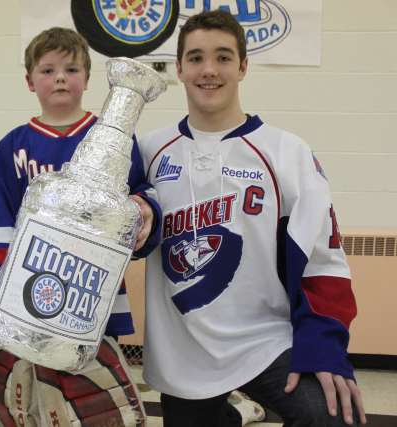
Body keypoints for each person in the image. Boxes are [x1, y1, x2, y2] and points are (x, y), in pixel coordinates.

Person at [138, 9, 367, 427]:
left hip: (265, 340)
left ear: (243, 66)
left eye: (223, 57)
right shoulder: (149, 152)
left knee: (332, 414)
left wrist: (324, 345)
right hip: (182, 353)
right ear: (179, 69)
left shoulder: (286, 152)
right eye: (196, 58)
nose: (209, 70)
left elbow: (324, 260)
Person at [0, 27, 159, 426]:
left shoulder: (118, 140)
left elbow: (141, 203)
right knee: (25, 410)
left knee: (94, 414)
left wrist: (147, 213)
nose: (60, 78)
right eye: (48, 70)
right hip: (23, 310)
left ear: (87, 78)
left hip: (91, 313)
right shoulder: (13, 147)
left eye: (71, 69)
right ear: (29, 80)